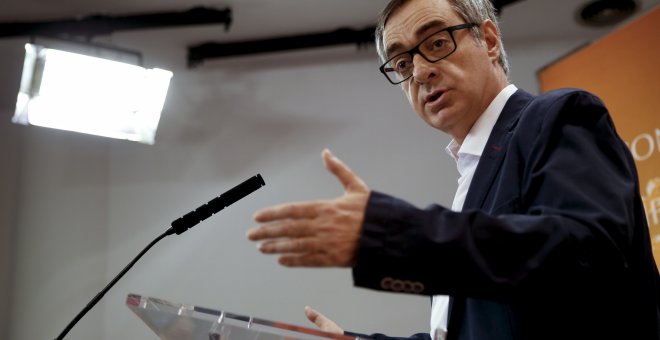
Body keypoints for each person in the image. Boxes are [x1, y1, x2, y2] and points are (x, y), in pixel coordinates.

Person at [247, 0, 660, 339]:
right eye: (403, 64)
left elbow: (584, 257)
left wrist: (393, 232)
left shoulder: (559, 116)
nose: (421, 71)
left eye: (437, 42)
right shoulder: (473, 176)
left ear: (491, 41)